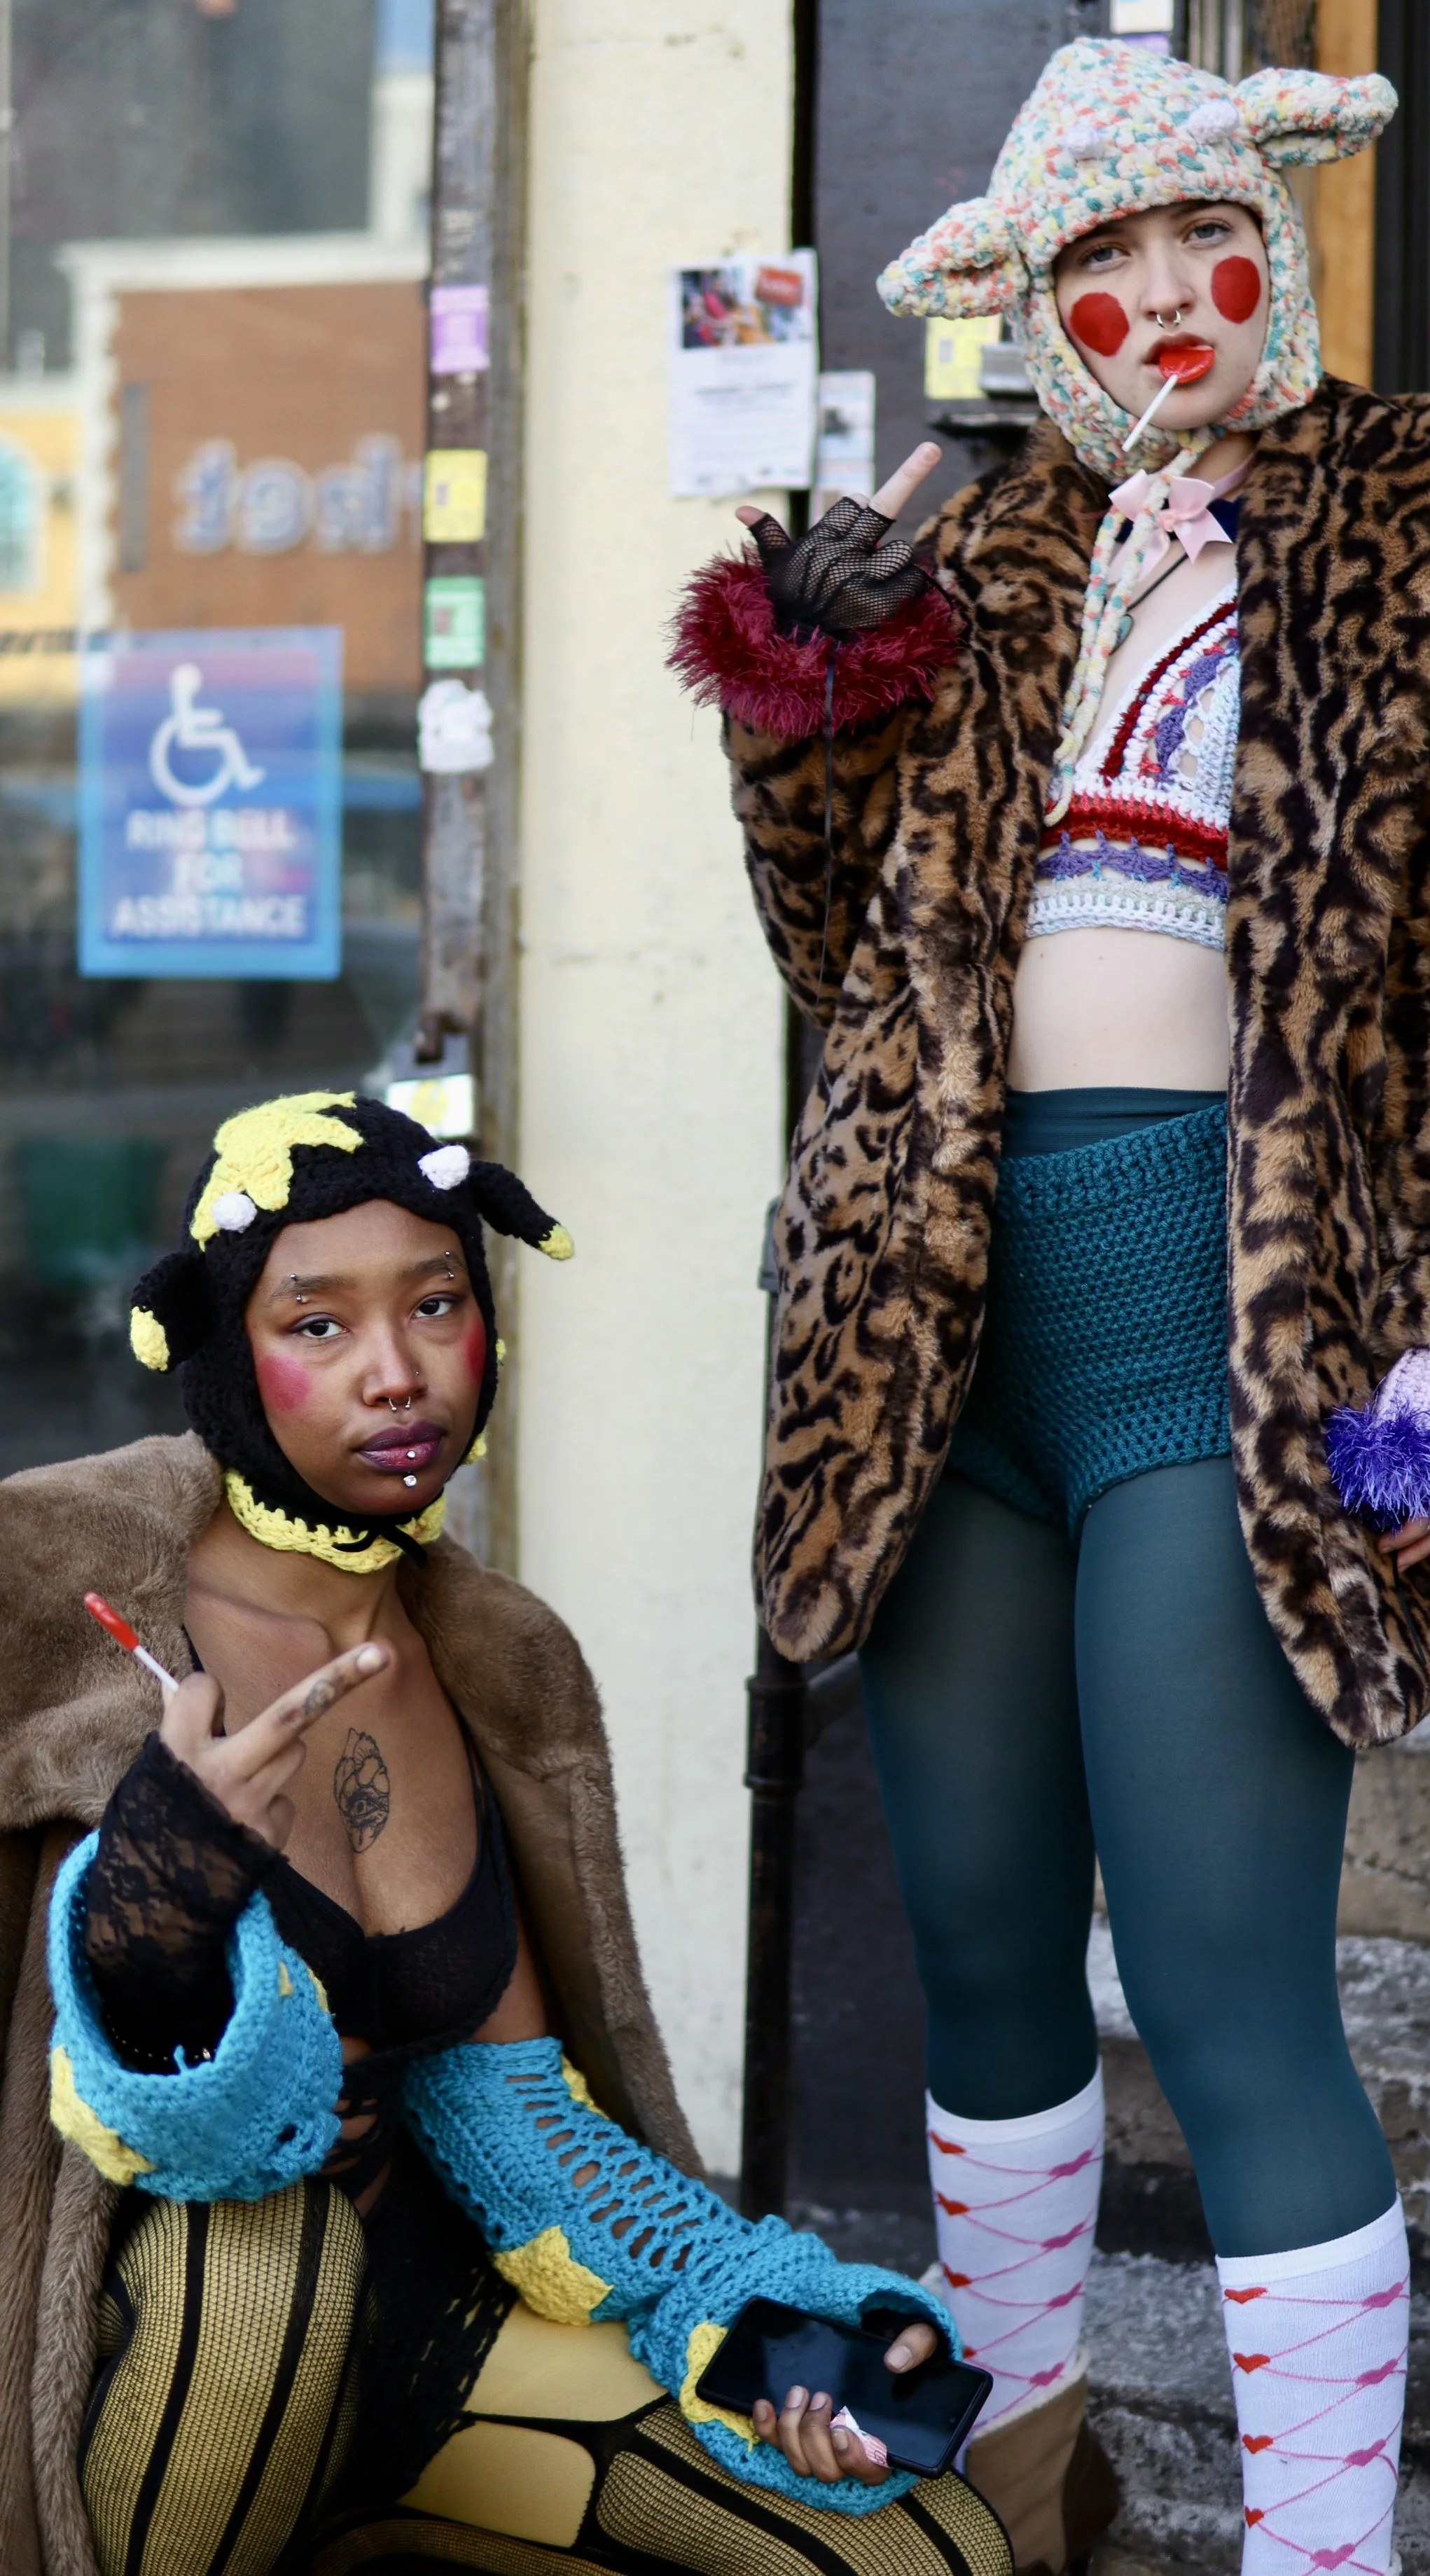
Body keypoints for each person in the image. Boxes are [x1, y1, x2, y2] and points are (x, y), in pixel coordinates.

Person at [672, 37, 1430, 2576]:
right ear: (1038, 307)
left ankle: (1324, 2553)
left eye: (1200, 234)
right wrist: (812, 691)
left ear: (1272, 234)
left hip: (1233, 1324)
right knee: (975, 1950)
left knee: (1220, 1980)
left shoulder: (1419, 505)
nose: (1164, 294)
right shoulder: (995, 549)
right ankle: (1011, 2494)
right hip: (946, 1319)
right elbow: (835, 946)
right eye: (1102, 259)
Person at [0, 1089, 1011, 2576]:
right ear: (223, 1344)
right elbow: (140, 2110)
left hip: (434, 2335)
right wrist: (157, 1887)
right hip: (164, 2352)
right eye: (318, 1325)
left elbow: (516, 2120)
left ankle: (383, 2519)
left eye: (434, 1305)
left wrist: (769, 2319)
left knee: (932, 2552)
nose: (396, 1375)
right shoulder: (58, 1596)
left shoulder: (492, 1663)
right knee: (268, 2251)